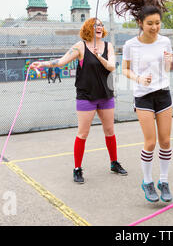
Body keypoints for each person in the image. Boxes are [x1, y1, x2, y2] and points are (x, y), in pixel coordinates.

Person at [30, 17, 128, 184]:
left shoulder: (108, 46)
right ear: (89, 28)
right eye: (95, 25)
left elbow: (111, 66)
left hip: (105, 95)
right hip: (86, 96)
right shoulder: (80, 46)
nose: (99, 27)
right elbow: (61, 62)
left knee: (110, 131)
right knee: (83, 133)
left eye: (101, 25)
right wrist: (43, 64)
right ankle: (77, 169)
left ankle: (114, 163)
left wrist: (99, 56)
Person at [106, 0, 173, 203]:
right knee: (151, 142)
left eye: (157, 23)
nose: (155, 27)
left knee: (165, 140)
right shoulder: (130, 45)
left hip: (163, 94)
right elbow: (124, 69)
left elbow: (168, 68)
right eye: (150, 23)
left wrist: (169, 62)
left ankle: (163, 181)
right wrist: (138, 79)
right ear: (140, 24)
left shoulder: (165, 42)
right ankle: (147, 181)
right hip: (143, 97)